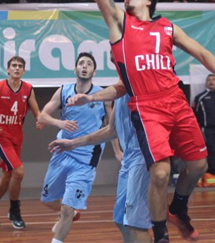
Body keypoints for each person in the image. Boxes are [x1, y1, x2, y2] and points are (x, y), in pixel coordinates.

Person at [70, 0, 215, 243]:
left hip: (176, 100)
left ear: (148, 0)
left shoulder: (167, 27)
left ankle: (179, 209)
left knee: (200, 166)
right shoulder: (121, 24)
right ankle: (160, 234)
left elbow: (202, 52)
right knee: (159, 173)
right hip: (146, 107)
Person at [50, 80, 152, 243]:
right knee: (121, 220)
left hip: (143, 157)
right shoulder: (119, 93)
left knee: (135, 224)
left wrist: (90, 98)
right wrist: (72, 143)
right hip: (129, 160)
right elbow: (111, 130)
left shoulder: (141, 85)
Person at [38, 53, 109, 243]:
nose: (84, 66)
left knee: (67, 209)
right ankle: (70, 211)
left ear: (95, 71)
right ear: (75, 69)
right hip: (62, 152)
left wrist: (119, 151)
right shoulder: (63, 91)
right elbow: (42, 116)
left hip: (86, 158)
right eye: (81, 63)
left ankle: (65, 220)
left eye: (89, 64)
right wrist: (59, 123)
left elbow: (112, 127)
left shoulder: (103, 95)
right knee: (47, 200)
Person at [0, 56, 41, 229]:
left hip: (17, 137)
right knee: (19, 172)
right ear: (8, 69)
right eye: (14, 65)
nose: (17, 68)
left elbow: (38, 114)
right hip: (0, 136)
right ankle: (14, 211)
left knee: (8, 175)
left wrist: (42, 121)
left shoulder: (28, 89)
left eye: (20, 66)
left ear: (24, 71)